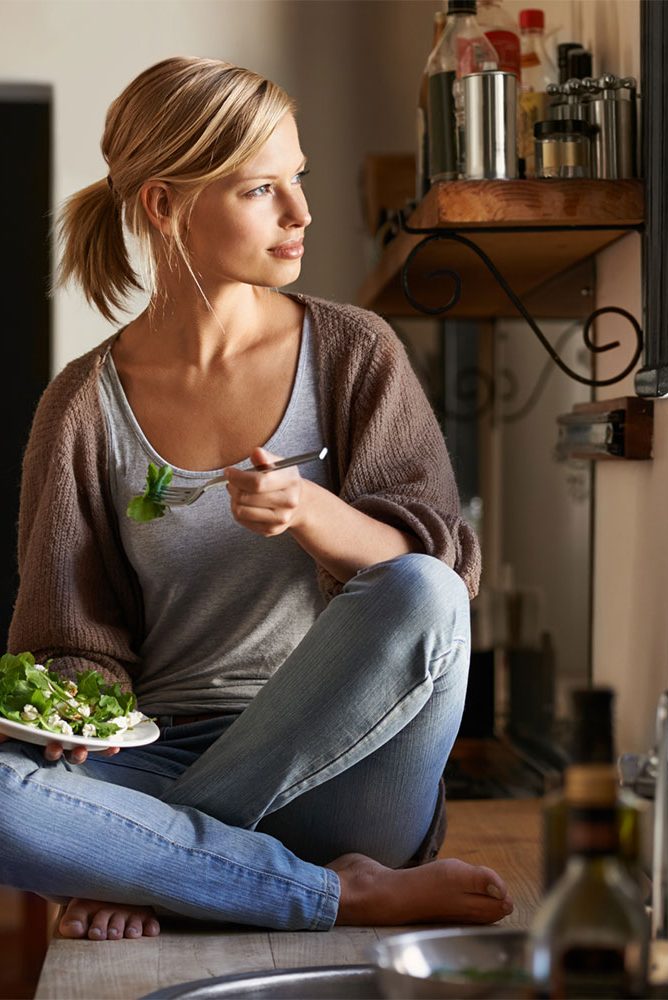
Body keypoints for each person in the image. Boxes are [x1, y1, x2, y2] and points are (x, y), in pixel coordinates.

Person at [0, 56, 512, 942]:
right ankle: (326, 893)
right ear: (164, 204)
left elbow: (444, 574)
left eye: (299, 179)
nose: (300, 214)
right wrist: (75, 717)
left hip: (347, 766)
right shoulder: (82, 407)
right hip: (156, 758)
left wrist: (312, 515)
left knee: (421, 590)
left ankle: (162, 867)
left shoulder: (356, 352)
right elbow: (65, 640)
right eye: (261, 189)